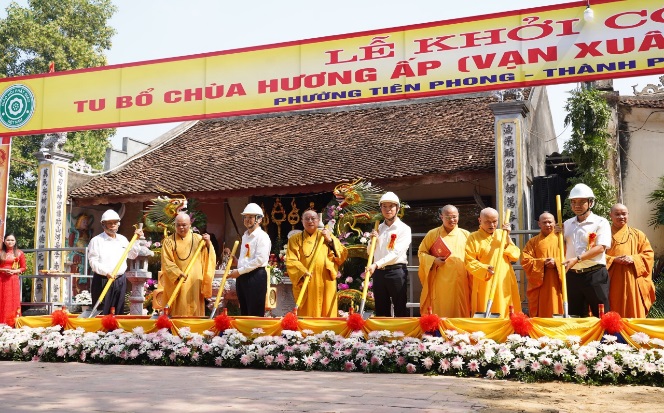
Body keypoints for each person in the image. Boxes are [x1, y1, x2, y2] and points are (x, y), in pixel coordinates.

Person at [561, 183, 611, 317]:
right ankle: (576, 339)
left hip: (594, 274)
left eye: (582, 202)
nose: (577, 205)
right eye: (573, 202)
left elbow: (601, 247)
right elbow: (559, 246)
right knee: (575, 316)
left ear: (591, 203)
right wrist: (555, 234)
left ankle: (606, 338)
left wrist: (577, 259)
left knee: (602, 315)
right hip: (572, 275)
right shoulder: (566, 224)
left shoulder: (601, 222)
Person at [286, 210, 347, 317]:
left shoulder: (327, 236)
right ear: (302, 221)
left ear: (318, 220)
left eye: (313, 218)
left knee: (327, 311)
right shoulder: (294, 239)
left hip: (325, 279)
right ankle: (306, 331)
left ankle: (328, 332)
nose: (310, 221)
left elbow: (342, 255)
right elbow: (291, 260)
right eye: (307, 219)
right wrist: (302, 271)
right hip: (307, 279)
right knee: (308, 312)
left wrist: (329, 241)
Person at [465, 207, 521, 317]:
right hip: (484, 279)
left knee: (505, 305)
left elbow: (515, 255)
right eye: (488, 222)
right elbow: (469, 261)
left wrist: (508, 237)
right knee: (485, 306)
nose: (492, 225)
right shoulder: (473, 237)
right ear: (480, 221)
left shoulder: (502, 234)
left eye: (495, 221)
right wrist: (484, 268)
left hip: (503, 277)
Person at [417, 205, 471, 317]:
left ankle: (460, 334)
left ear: (458, 216)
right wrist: (433, 260)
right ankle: (439, 331)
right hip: (440, 279)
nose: (452, 220)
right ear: (441, 217)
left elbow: (475, 255)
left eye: (454, 217)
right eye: (448, 217)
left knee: (460, 308)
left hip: (460, 280)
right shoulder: (433, 234)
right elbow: (421, 253)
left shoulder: (466, 234)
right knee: (441, 308)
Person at [88, 210, 143, 315]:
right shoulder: (96, 241)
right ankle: (100, 331)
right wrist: (106, 272)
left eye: (115, 223)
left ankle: (115, 331)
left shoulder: (122, 239)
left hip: (120, 279)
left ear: (118, 224)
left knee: (118, 310)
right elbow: (93, 262)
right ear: (103, 224)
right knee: (102, 311)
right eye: (110, 223)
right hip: (103, 279)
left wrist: (136, 240)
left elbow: (132, 255)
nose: (113, 225)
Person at [160, 212, 216, 316]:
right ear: (174, 225)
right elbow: (166, 261)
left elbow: (209, 258)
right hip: (178, 280)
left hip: (195, 282)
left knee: (195, 308)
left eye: (184, 225)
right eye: (178, 225)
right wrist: (176, 273)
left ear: (190, 224)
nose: (181, 228)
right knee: (178, 309)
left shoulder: (199, 239)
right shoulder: (168, 241)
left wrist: (208, 244)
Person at [366, 191, 412, 317]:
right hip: (379, 273)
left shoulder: (404, 229)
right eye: (384, 206)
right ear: (380, 208)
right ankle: (383, 335)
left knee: (400, 307)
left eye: (391, 206)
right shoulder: (378, 228)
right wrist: (372, 241)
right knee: (381, 308)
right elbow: (370, 252)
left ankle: (403, 335)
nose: (388, 210)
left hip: (396, 271)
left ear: (397, 208)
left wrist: (376, 264)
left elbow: (396, 253)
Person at [606, 203, 655, 318]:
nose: (621, 217)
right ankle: (612, 335)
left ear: (628, 215)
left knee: (633, 309)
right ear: (610, 216)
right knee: (612, 308)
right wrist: (613, 260)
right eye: (617, 214)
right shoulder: (604, 234)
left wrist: (633, 258)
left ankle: (636, 335)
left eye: (624, 214)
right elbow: (595, 256)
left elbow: (648, 254)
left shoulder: (638, 234)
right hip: (612, 280)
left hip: (633, 280)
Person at [228, 203, 271, 316]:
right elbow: (248, 257)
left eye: (251, 217)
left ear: (259, 219)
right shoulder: (245, 236)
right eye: (245, 217)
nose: (247, 220)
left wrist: (239, 271)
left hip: (256, 276)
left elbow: (260, 260)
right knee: (244, 311)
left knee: (254, 312)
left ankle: (255, 333)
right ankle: (245, 333)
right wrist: (237, 262)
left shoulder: (262, 237)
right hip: (243, 276)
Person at [521, 212, 564, 317]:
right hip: (540, 282)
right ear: (539, 224)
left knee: (558, 305)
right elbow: (525, 260)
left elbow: (571, 257)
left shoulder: (562, 239)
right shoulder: (532, 242)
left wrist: (557, 262)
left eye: (550, 222)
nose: (548, 225)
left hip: (557, 280)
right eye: (544, 222)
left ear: (555, 223)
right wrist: (542, 262)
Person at [0, 234, 26, 325]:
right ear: (4, 241)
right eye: (8, 240)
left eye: (12, 240)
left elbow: (23, 267)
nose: (10, 242)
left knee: (12, 301)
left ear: (15, 242)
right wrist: (3, 270)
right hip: (1, 279)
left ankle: (12, 323)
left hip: (13, 280)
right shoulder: (0, 252)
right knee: (2, 300)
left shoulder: (19, 253)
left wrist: (15, 271)